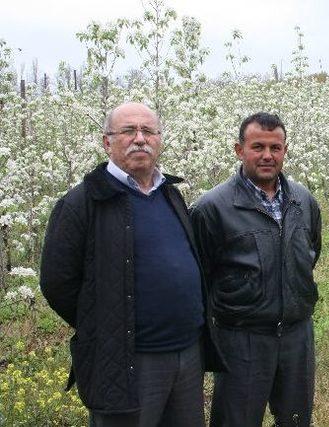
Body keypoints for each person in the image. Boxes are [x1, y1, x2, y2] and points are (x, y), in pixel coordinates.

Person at [40, 102, 226, 427]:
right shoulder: (81, 203)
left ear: (159, 139)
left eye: (148, 131)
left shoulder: (169, 194)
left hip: (187, 354)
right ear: (106, 141)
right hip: (129, 362)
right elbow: (58, 284)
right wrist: (106, 324)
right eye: (128, 131)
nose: (140, 139)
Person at [190, 112, 322, 427]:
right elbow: (200, 277)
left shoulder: (303, 201)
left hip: (296, 334)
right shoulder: (212, 208)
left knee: (295, 420)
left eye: (275, 148)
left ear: (285, 151)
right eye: (257, 147)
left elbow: (311, 252)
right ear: (240, 150)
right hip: (241, 339)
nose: (267, 155)